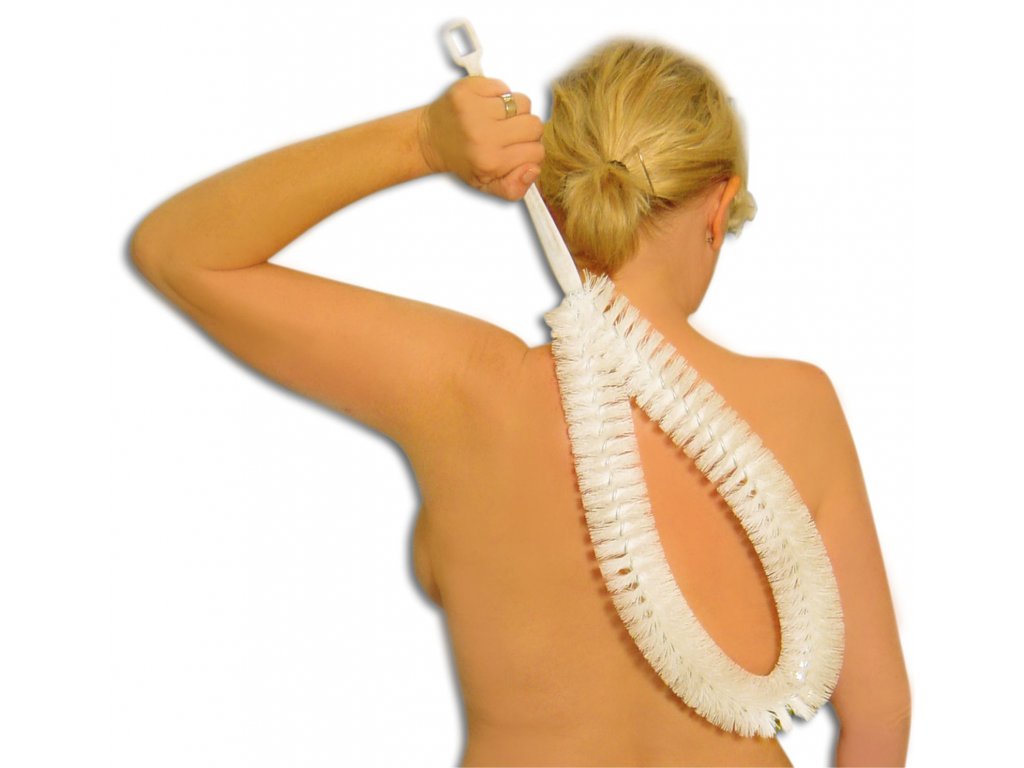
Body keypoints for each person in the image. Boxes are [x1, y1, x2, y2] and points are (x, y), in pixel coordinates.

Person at [130, 37, 910, 768]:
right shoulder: (800, 407)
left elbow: (180, 253)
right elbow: (878, 718)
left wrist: (422, 142)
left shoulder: (464, 389)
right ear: (719, 206)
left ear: (553, 203)